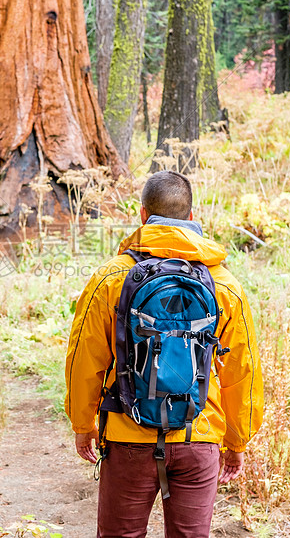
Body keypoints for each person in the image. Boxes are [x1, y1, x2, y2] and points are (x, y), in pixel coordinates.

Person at [65, 170, 264, 538]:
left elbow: (84, 358)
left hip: (127, 435)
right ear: (191, 219)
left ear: (142, 215)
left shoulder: (110, 279)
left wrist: (83, 424)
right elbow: (242, 369)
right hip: (197, 435)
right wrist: (236, 440)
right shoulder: (225, 285)